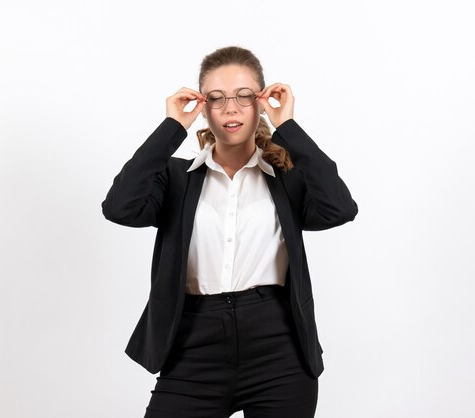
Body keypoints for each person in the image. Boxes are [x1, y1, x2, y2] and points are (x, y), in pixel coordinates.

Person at [102, 46, 358, 418]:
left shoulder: (287, 179)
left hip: (279, 351)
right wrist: (173, 126)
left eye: (244, 96)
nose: (231, 108)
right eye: (217, 98)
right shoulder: (177, 178)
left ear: (262, 101)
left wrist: (287, 126)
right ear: (203, 106)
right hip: (193, 349)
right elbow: (119, 207)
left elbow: (339, 208)